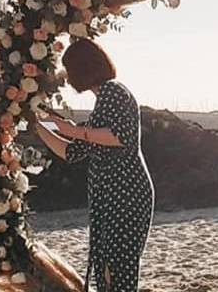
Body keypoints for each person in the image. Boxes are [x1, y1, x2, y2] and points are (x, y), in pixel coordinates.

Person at [29, 38, 155, 292]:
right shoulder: (103, 100)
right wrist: (37, 126)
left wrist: (74, 130)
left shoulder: (113, 90)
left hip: (125, 192)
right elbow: (70, 152)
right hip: (110, 195)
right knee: (107, 266)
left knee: (116, 267)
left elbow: (119, 136)